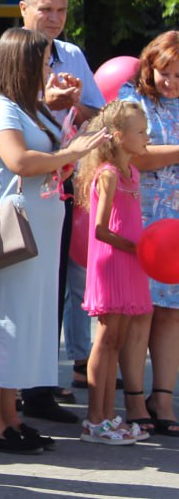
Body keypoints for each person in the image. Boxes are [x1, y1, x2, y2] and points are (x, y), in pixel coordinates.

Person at [0, 0, 105, 423]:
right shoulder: (3, 105)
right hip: (14, 224)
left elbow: (55, 151)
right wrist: (73, 153)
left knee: (29, 325)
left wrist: (66, 154)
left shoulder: (31, 105)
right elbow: (20, 160)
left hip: (42, 222)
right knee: (5, 325)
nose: (53, 68)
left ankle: (11, 418)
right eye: (45, 63)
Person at [75, 101, 154, 444]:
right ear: (120, 136)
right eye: (140, 131)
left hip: (131, 263)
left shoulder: (131, 171)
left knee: (118, 341)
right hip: (113, 261)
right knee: (105, 340)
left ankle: (109, 415)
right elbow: (100, 230)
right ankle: (95, 418)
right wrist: (137, 247)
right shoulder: (107, 173)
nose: (146, 136)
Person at [120, 31, 179, 438]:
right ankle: (135, 399)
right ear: (150, 67)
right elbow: (133, 154)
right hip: (142, 217)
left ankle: (163, 396)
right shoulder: (133, 101)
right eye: (165, 73)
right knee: (140, 312)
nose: (171, 82)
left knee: (172, 312)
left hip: (176, 222)